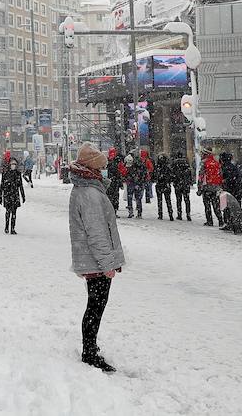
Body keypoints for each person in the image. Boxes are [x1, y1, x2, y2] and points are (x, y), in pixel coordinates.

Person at [67, 142, 125, 373]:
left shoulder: (86, 189)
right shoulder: (90, 193)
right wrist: (107, 264)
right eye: (99, 168)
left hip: (91, 259)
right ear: (91, 169)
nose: (102, 172)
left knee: (95, 305)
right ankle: (89, 352)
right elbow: (97, 233)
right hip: (95, 261)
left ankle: (90, 349)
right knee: (96, 306)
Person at [0, 156, 26, 234]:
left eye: (15, 164)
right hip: (7, 195)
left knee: (14, 212)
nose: (13, 165)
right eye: (12, 163)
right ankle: (6, 227)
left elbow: (20, 185)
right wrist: (0, 196)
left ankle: (13, 228)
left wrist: (23, 196)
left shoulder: (18, 174)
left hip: (15, 195)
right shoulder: (5, 173)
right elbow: (2, 185)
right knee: (8, 211)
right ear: (9, 164)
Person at [199, 148, 223, 227]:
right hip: (216, 187)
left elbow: (201, 176)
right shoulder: (216, 162)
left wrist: (199, 188)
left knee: (207, 205)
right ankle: (220, 220)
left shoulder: (204, 163)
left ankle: (209, 221)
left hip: (207, 187)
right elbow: (220, 174)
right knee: (216, 205)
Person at [171, 151, 193, 222]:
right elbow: (189, 173)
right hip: (185, 184)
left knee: (179, 199)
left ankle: (179, 214)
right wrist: (189, 181)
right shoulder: (186, 162)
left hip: (178, 183)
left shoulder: (174, 162)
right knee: (187, 200)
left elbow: (172, 173)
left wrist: (174, 181)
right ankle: (188, 214)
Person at [124, 152, 147, 219]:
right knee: (138, 198)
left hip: (131, 183)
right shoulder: (142, 165)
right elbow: (144, 174)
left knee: (130, 197)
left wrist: (128, 178)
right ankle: (139, 213)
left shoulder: (131, 166)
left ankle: (130, 212)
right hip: (139, 183)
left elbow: (128, 174)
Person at [154, 150, 174, 221]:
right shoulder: (167, 167)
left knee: (160, 201)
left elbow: (154, 176)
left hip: (159, 185)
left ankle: (160, 214)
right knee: (168, 200)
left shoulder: (157, 167)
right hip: (166, 185)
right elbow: (171, 176)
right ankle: (170, 214)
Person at [104, 147, 123, 214]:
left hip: (108, 182)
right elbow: (120, 172)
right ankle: (114, 210)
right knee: (115, 196)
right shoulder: (118, 161)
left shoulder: (106, 161)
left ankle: (109, 210)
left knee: (109, 196)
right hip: (115, 182)